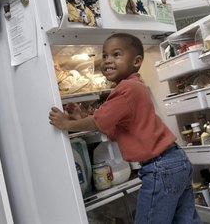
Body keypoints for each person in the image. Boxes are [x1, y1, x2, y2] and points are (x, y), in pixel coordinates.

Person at [49, 33, 202, 224]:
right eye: (104, 55)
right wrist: (82, 118)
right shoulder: (135, 87)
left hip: (160, 168)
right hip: (175, 162)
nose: (107, 61)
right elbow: (113, 129)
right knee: (186, 221)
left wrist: (68, 124)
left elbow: (99, 121)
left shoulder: (126, 89)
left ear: (136, 61)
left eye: (116, 54)